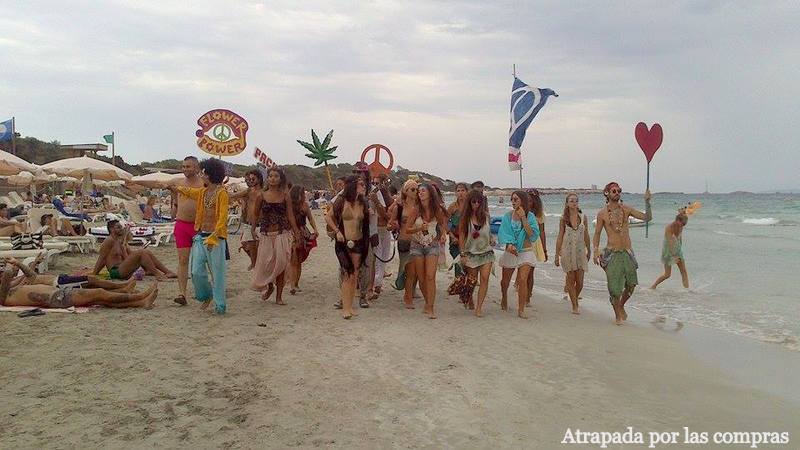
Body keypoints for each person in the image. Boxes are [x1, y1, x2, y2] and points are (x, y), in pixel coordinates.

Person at [170, 158, 230, 314]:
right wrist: (175, 188)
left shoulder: (222, 193)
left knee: (217, 273)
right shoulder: (203, 192)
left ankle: (220, 305)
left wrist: (214, 237)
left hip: (216, 238)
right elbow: (190, 191)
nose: (201, 175)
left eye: (203, 173)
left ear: (210, 175)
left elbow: (223, 218)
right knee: (196, 271)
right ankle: (206, 295)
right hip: (201, 235)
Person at [592, 182, 652, 325]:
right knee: (614, 289)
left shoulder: (626, 209)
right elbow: (597, 233)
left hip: (627, 252)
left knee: (631, 285)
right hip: (612, 254)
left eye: (619, 190)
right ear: (607, 193)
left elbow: (647, 218)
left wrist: (647, 202)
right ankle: (617, 316)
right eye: (614, 191)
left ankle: (621, 305)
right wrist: (595, 250)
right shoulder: (602, 214)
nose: (617, 193)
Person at [1, 258, 158, 309]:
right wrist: (8, 268)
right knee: (99, 293)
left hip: (58, 295)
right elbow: (7, 277)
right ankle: (140, 297)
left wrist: (18, 264)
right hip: (58, 297)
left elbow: (28, 275)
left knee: (100, 299)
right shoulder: (4, 296)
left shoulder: (12, 288)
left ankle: (141, 302)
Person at [251, 167, 300, 305]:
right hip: (266, 234)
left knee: (281, 264)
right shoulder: (261, 195)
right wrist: (253, 229)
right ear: (267, 178)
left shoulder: (285, 196)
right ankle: (270, 287)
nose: (272, 178)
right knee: (266, 264)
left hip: (281, 233)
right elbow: (255, 214)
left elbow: (290, 215)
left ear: (280, 179)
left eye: (276, 176)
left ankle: (279, 297)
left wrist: (296, 231)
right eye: (270, 176)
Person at [325, 175, 370, 319]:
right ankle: (345, 308)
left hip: (358, 241)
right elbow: (328, 217)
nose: (363, 186)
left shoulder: (363, 202)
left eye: (364, 184)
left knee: (354, 274)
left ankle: (350, 306)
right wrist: (337, 231)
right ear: (353, 186)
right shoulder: (341, 201)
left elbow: (365, 225)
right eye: (360, 184)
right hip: (343, 242)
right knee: (347, 273)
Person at [406, 183, 447, 319]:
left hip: (432, 245)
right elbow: (407, 229)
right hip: (417, 245)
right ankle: (427, 302)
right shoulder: (415, 210)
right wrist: (419, 228)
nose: (420, 193)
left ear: (430, 193)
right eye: (419, 191)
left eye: (423, 191)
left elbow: (442, 224)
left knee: (430, 276)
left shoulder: (437, 210)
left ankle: (430, 307)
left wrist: (443, 234)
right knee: (422, 278)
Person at [498, 190, 540, 319]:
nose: (513, 202)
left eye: (516, 199)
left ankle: (521, 309)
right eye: (512, 199)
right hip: (511, 250)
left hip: (526, 251)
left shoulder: (530, 216)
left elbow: (532, 234)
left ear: (522, 200)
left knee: (522, 279)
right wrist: (509, 245)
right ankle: (504, 297)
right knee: (505, 282)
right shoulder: (507, 216)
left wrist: (523, 217)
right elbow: (503, 233)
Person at [169, 156, 204, 305]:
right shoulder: (178, 182)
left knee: (201, 261)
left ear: (196, 168)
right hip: (182, 225)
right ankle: (182, 293)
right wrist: (132, 181)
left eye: (188, 166)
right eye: (183, 166)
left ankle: (204, 291)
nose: (185, 169)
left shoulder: (204, 183)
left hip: (199, 226)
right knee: (183, 260)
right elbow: (158, 183)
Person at [93, 220, 177, 281]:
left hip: (124, 269)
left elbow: (129, 257)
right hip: (116, 271)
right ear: (111, 229)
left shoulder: (120, 241)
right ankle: (158, 275)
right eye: (118, 227)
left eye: (121, 227)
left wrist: (125, 245)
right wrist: (94, 274)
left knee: (145, 252)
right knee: (141, 252)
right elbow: (102, 258)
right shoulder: (109, 241)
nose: (121, 229)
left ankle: (167, 272)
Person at [458, 189, 495, 317]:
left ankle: (479, 308)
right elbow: (462, 236)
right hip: (471, 253)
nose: (476, 204)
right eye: (473, 202)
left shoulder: (486, 216)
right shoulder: (465, 218)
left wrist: (492, 239)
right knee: (472, 280)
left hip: (486, 253)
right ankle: (470, 299)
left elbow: (488, 232)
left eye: (479, 202)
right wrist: (462, 254)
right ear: (469, 202)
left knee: (485, 278)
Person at [554, 193, 591, 314]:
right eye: (571, 201)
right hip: (567, 252)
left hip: (580, 252)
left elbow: (586, 234)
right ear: (567, 203)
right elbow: (560, 236)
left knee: (580, 282)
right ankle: (575, 305)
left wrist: (589, 249)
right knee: (571, 278)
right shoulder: (563, 218)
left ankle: (573, 297)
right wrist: (556, 254)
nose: (574, 203)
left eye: (576, 201)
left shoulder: (583, 217)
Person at [389, 179, 420, 308]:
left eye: (417, 189)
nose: (416, 191)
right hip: (404, 241)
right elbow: (390, 223)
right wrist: (393, 225)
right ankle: (408, 296)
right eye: (412, 189)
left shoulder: (420, 207)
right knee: (407, 270)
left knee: (416, 270)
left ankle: (411, 291)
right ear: (405, 191)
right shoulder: (399, 207)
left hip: (418, 242)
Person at [228, 169, 264, 270]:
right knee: (246, 245)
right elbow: (233, 195)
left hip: (261, 225)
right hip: (248, 224)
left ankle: (257, 265)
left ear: (259, 179)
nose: (250, 181)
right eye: (249, 179)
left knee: (260, 250)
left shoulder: (263, 192)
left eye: (253, 179)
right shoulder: (248, 191)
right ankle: (254, 263)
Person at [287, 185, 319, 295]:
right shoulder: (288, 205)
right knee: (293, 259)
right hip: (291, 232)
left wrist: (315, 229)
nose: (304, 196)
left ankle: (295, 284)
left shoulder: (304, 205)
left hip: (302, 232)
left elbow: (310, 218)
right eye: (302, 194)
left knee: (299, 260)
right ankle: (292, 285)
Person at [651, 212, 689, 289]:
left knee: (683, 271)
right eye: (682, 224)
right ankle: (653, 286)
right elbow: (670, 242)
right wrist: (674, 256)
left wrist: (679, 250)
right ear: (677, 220)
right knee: (667, 274)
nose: (682, 226)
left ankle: (687, 290)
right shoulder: (669, 227)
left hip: (677, 249)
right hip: (668, 251)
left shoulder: (681, 226)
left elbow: (679, 239)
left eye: (684, 224)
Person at [523, 188, 548, 307]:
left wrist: (545, 249)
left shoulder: (539, 215)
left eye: (530, 200)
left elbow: (542, 232)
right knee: (523, 272)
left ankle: (527, 297)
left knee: (530, 272)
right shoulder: (520, 212)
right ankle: (523, 292)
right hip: (522, 243)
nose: (528, 203)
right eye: (526, 200)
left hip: (534, 244)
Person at [371, 173, 393, 299]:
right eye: (374, 183)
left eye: (378, 183)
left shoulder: (388, 198)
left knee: (383, 258)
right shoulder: (372, 195)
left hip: (385, 229)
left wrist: (377, 202)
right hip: (375, 230)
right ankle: (376, 284)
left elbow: (387, 216)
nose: (376, 186)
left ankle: (378, 283)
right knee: (378, 258)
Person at [447, 183, 468, 278]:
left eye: (463, 190)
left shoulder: (470, 206)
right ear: (455, 193)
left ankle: (466, 283)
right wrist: (451, 236)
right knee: (458, 262)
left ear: (467, 192)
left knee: (467, 264)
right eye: (458, 191)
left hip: (468, 239)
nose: (460, 193)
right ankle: (458, 282)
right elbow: (444, 222)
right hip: (455, 239)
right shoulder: (452, 206)